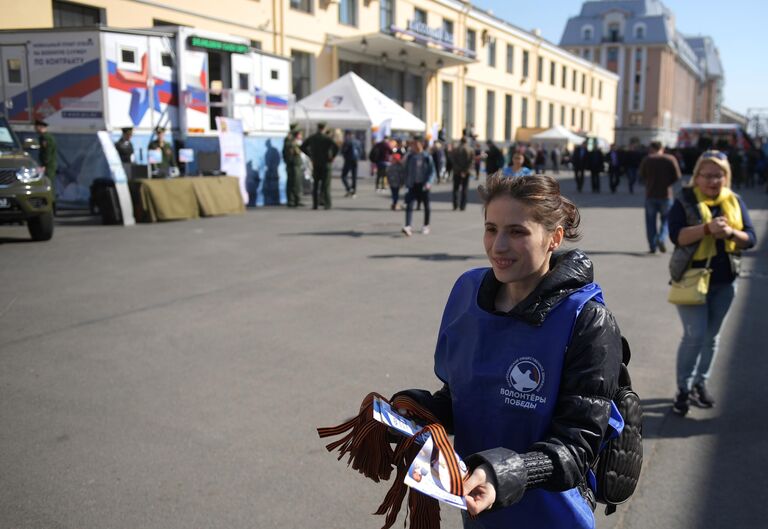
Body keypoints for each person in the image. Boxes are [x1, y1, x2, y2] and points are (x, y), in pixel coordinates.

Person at [393, 174, 623, 528]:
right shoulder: (469, 295)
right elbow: (465, 400)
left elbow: (578, 447)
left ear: (554, 238)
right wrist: (415, 412)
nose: (498, 246)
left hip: (551, 516)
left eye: (517, 232)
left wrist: (509, 472)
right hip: (480, 507)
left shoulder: (587, 319)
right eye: (491, 228)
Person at [667, 150, 756, 415]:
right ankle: (683, 389)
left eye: (718, 175)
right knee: (695, 335)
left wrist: (730, 232)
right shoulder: (685, 199)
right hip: (692, 279)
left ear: (726, 177)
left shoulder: (735, 200)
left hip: (725, 281)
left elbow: (750, 238)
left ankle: (699, 384)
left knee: (712, 338)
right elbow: (677, 237)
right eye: (707, 175)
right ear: (697, 176)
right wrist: (707, 229)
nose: (712, 181)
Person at [639, 141, 681, 253]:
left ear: (652, 148)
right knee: (666, 220)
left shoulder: (647, 160)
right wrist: (668, 183)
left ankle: (652, 246)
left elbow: (642, 175)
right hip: (666, 194)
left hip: (650, 194)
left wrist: (650, 183)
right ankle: (661, 238)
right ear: (662, 148)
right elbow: (677, 176)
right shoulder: (670, 159)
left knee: (650, 222)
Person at [401, 137, 435, 236]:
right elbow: (406, 169)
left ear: (422, 144)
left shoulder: (427, 156)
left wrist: (429, 182)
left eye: (416, 144)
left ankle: (426, 225)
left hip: (424, 185)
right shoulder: (410, 156)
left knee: (426, 206)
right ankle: (408, 226)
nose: (414, 146)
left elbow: (432, 171)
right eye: (413, 144)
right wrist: (405, 182)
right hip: (412, 184)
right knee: (409, 205)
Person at [301, 122, 339, 210]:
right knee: (326, 185)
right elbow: (336, 147)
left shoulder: (312, 138)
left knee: (315, 185)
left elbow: (302, 147)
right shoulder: (326, 138)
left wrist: (310, 155)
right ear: (324, 128)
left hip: (316, 163)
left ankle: (315, 204)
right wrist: (332, 157)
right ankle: (327, 204)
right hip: (326, 164)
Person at [283, 124, 305, 207]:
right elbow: (290, 152)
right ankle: (292, 200)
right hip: (293, 164)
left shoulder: (293, 140)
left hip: (295, 164)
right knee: (293, 183)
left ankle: (296, 200)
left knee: (296, 183)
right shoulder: (290, 141)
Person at [451, 136, 475, 211]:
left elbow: (453, 161)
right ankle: (462, 206)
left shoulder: (456, 149)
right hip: (466, 172)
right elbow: (471, 162)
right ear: (466, 141)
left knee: (456, 189)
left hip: (456, 172)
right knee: (464, 189)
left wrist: (459, 170)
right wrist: (464, 171)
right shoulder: (470, 149)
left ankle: (455, 205)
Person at [35, 119, 57, 195]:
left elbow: (47, 152)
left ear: (40, 127)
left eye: (36, 127)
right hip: (49, 165)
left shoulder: (45, 138)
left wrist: (44, 165)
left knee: (48, 184)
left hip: (48, 166)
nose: (35, 129)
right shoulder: (46, 137)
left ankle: (51, 201)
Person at [340, 131, 362, 198]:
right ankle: (353, 191)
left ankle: (349, 189)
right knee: (354, 176)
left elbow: (343, 151)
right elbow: (360, 151)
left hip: (348, 160)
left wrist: (345, 156)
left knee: (343, 176)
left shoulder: (347, 142)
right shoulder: (358, 142)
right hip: (355, 160)